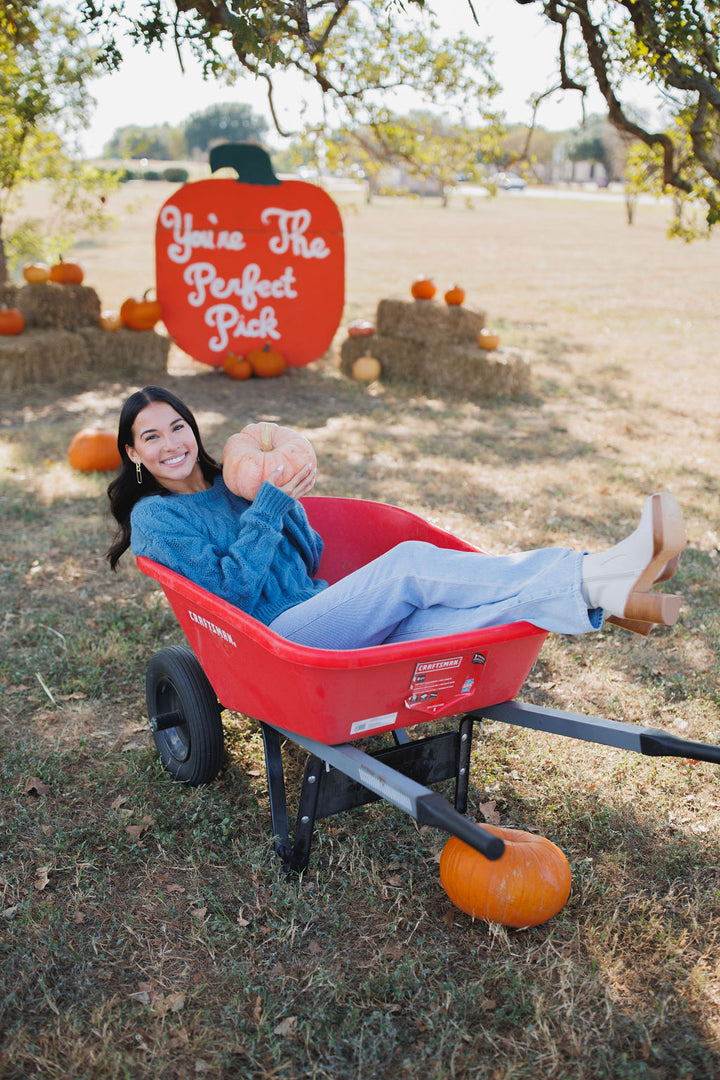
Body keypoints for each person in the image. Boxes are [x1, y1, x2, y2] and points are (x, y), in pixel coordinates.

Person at [106, 386, 687, 651]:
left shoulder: (237, 484)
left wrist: (283, 496)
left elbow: (308, 559)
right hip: (275, 640)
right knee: (408, 565)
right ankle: (596, 571)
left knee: (476, 617)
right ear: (134, 454)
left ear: (193, 428)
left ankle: (607, 596)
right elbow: (229, 597)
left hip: (319, 614)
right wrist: (268, 508)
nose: (171, 444)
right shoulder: (157, 517)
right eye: (150, 437)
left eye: (177, 426)